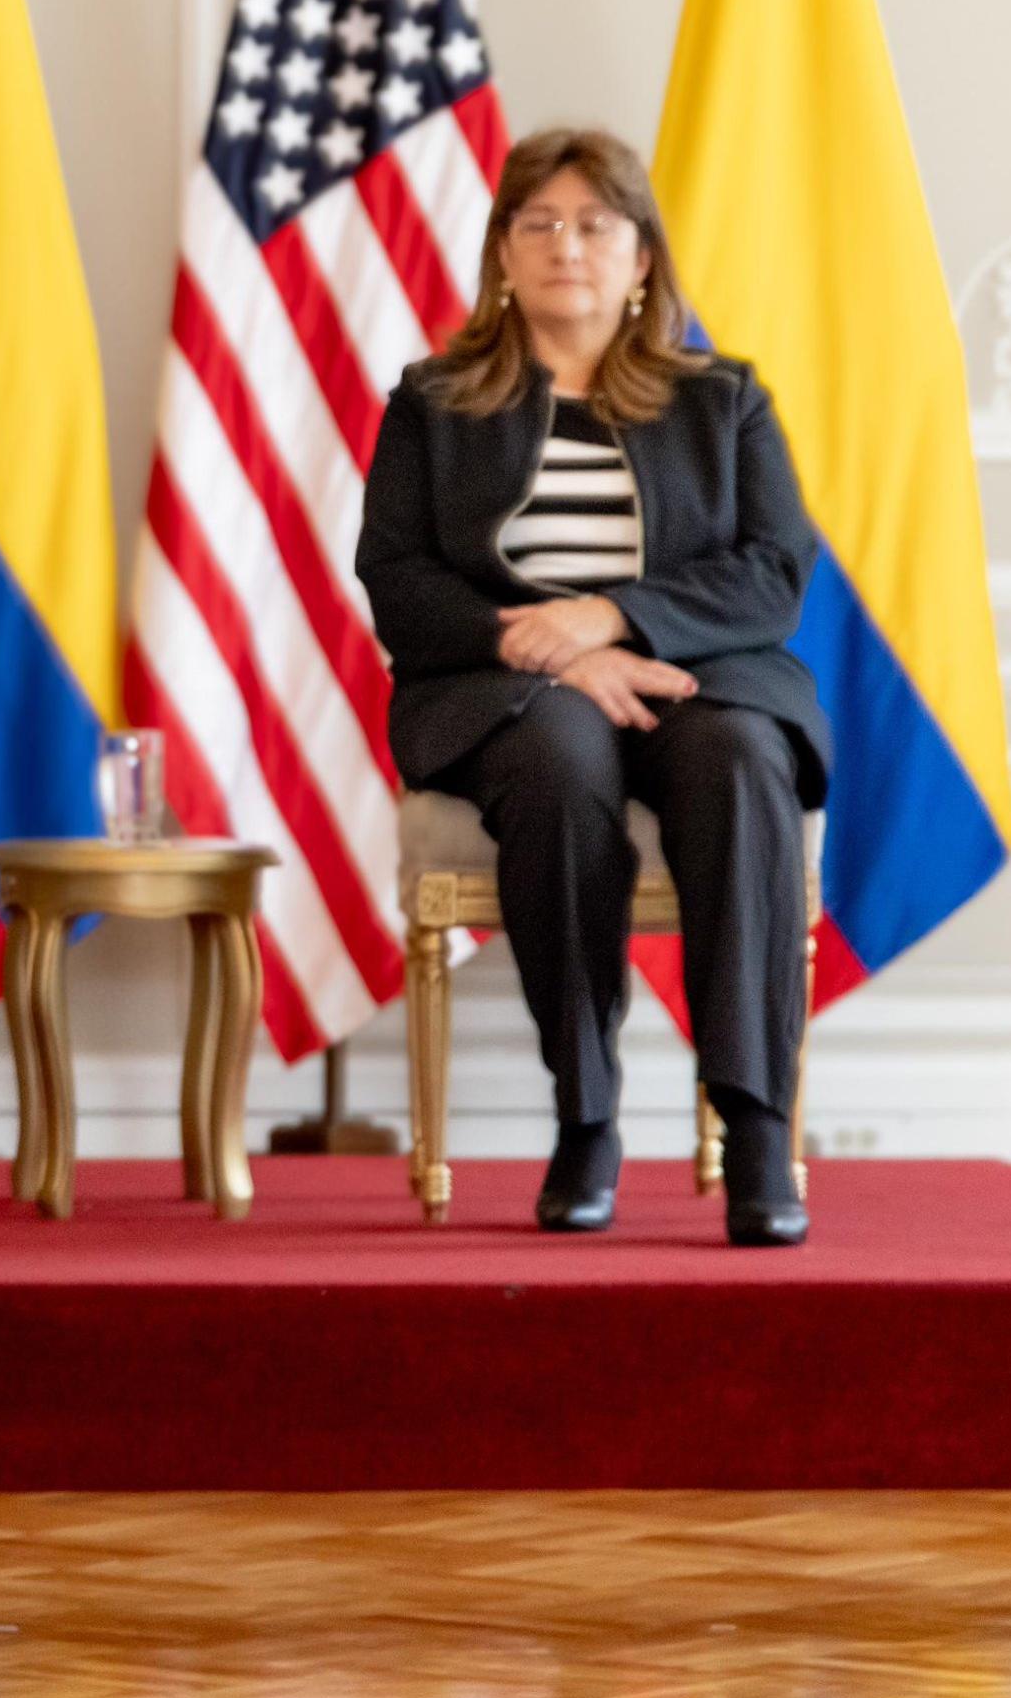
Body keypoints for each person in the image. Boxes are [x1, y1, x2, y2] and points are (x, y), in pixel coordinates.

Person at [353, 127, 829, 1248]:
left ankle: (756, 1126)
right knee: (559, 763)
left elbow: (772, 571)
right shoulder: (432, 403)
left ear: (640, 260)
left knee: (738, 757)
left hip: (695, 676)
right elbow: (395, 580)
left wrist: (610, 618)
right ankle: (585, 1114)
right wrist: (557, 649)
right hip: (502, 690)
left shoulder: (722, 400)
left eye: (594, 224)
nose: (567, 245)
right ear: (503, 257)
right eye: (539, 223)